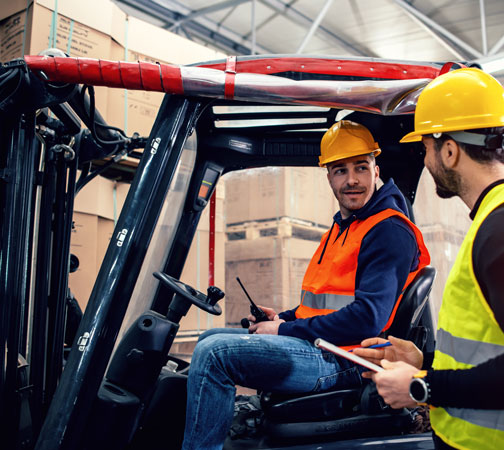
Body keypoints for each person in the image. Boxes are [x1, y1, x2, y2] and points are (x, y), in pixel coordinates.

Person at [353, 68, 504, 449]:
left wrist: (421, 386)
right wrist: (425, 360)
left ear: (449, 150)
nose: (426, 160)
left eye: (427, 149)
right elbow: (496, 346)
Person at [182, 120, 430, 450]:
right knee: (210, 337)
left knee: (215, 355)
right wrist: (281, 319)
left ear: (375, 168)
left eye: (361, 167)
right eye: (340, 170)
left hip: (348, 360)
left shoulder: (387, 231)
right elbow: (321, 303)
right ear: (328, 175)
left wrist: (284, 332)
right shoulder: (345, 227)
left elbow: (368, 318)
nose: (352, 179)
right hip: (328, 346)